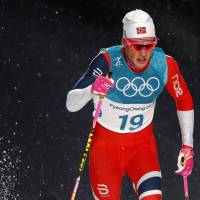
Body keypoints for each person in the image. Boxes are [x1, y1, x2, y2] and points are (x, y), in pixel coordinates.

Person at [66, 9, 194, 200]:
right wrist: (91, 89)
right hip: (105, 151)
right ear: (124, 43)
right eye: (137, 46)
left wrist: (187, 147)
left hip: (142, 149)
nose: (143, 53)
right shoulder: (107, 61)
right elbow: (71, 103)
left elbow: (184, 99)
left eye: (149, 45)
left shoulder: (163, 65)